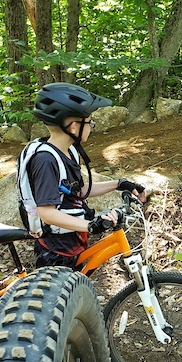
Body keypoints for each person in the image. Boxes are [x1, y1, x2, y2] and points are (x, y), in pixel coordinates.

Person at [18, 82, 147, 269]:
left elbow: (77, 191)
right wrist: (89, 225)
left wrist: (120, 184)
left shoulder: (69, 151)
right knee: (61, 298)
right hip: (55, 251)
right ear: (72, 127)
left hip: (71, 241)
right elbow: (47, 213)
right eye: (89, 122)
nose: (91, 127)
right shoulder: (45, 160)